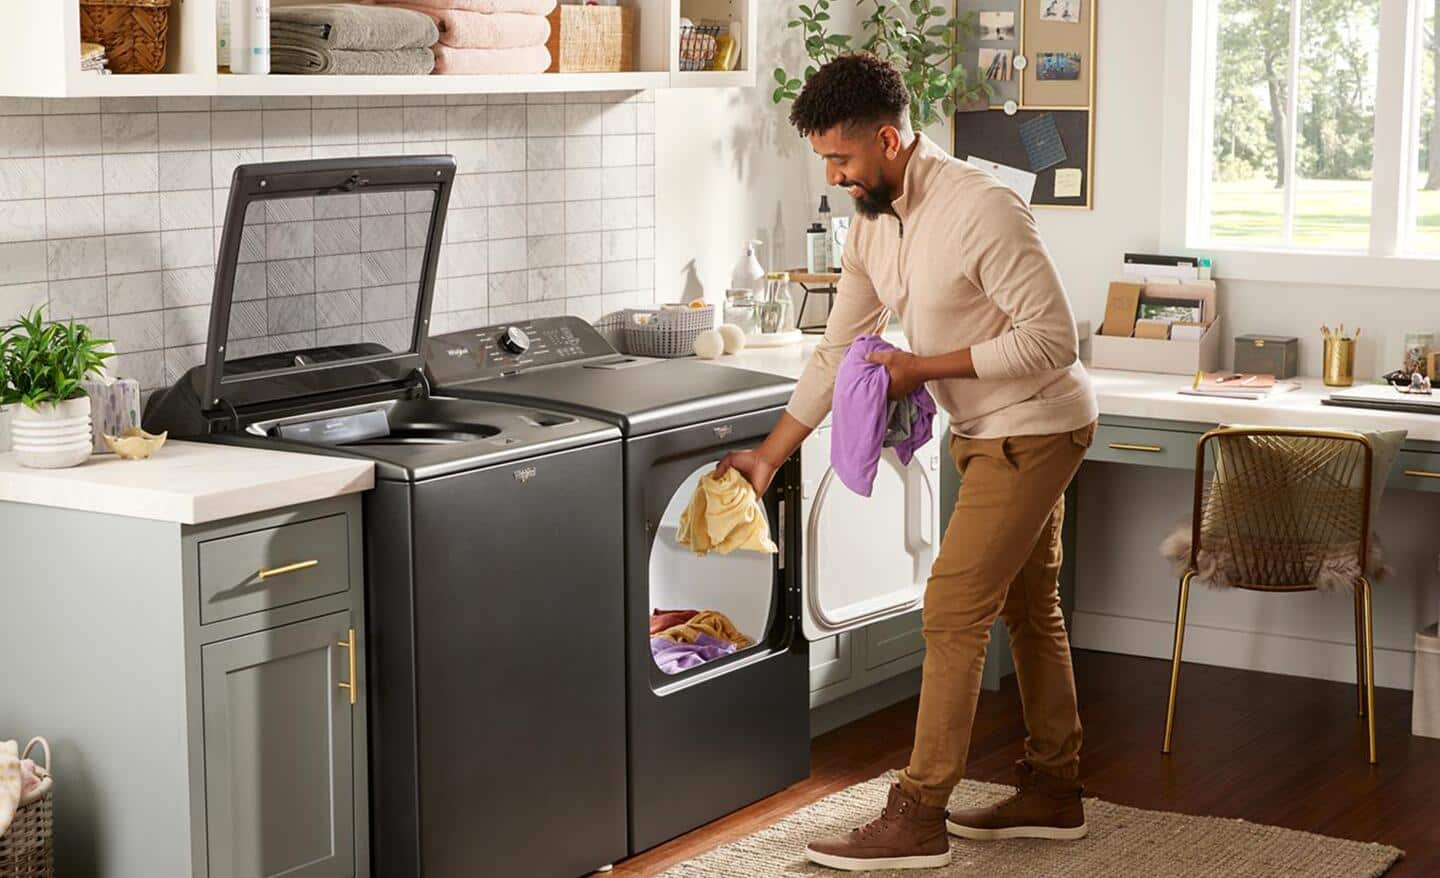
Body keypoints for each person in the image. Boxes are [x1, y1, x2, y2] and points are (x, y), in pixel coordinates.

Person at [717, 53, 1100, 871]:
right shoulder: (872, 222)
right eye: (825, 161)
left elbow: (1052, 340)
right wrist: (769, 455)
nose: (835, 177)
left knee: (952, 609)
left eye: (843, 160)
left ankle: (921, 812)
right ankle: (1055, 791)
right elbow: (837, 350)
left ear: (889, 141)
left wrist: (919, 369)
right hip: (984, 428)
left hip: (1036, 426)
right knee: (1031, 605)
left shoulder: (981, 210)